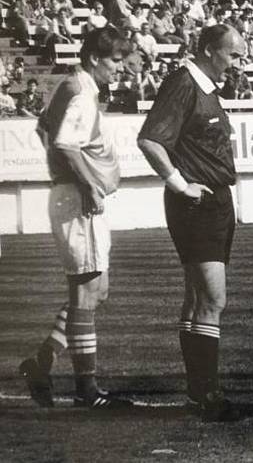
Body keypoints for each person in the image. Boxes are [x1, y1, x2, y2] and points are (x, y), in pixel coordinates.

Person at [18, 27, 133, 410]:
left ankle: (42, 362)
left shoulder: (70, 86)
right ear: (96, 59)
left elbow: (44, 128)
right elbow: (66, 143)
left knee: (96, 291)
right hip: (77, 200)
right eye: (116, 61)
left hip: (70, 195)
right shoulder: (81, 92)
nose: (121, 68)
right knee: (87, 291)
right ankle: (87, 389)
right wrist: (88, 185)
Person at [137, 24, 247, 421]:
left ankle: (197, 393)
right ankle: (208, 394)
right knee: (213, 299)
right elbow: (150, 139)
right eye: (233, 56)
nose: (238, 64)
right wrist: (179, 183)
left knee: (198, 299)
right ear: (206, 50)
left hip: (215, 201)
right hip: (197, 204)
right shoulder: (184, 83)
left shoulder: (205, 88)